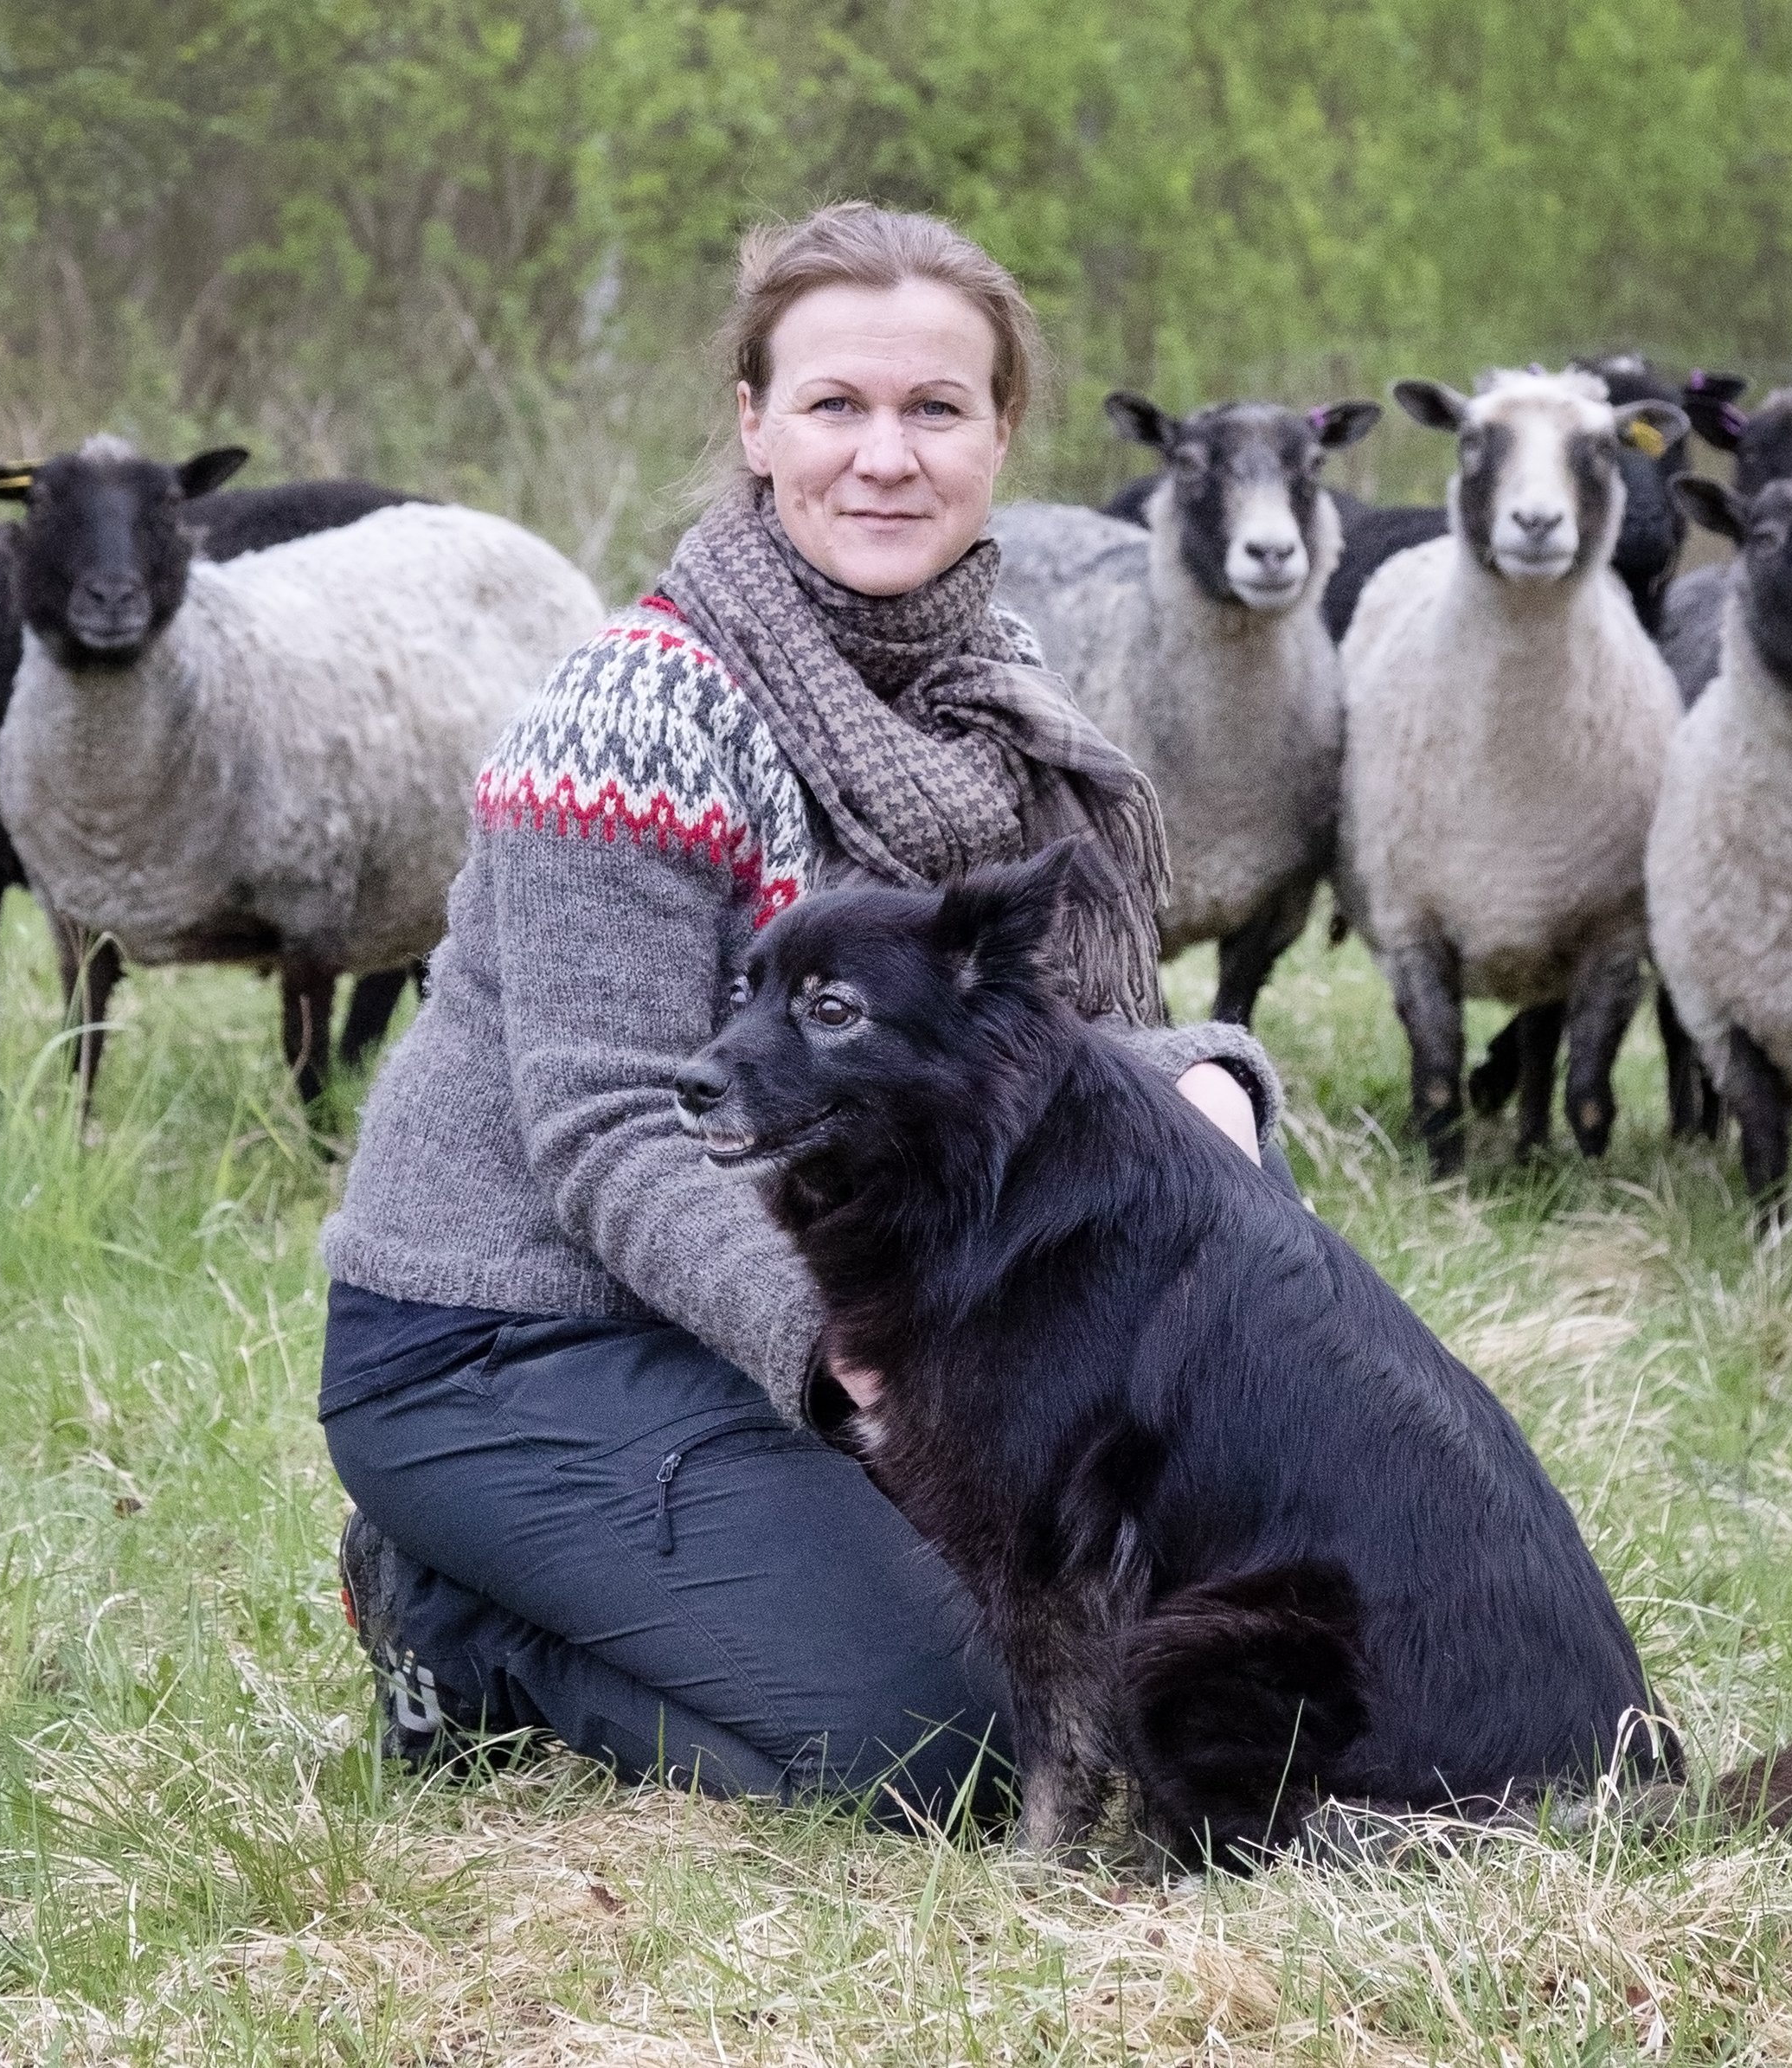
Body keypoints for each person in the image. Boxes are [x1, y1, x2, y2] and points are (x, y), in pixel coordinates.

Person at [318, 201, 1282, 1819]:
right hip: (518, 1338)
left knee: (1161, 1652)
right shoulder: (634, 715)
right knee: (957, 1745)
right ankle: (462, 1627)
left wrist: (1200, 1078)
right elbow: (608, 1130)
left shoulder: (1000, 691)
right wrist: (853, 1353)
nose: (884, 457)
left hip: (827, 1300)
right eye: (836, 404)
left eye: (935, 407)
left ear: (1001, 433)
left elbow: (1020, 1043)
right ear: (755, 425)